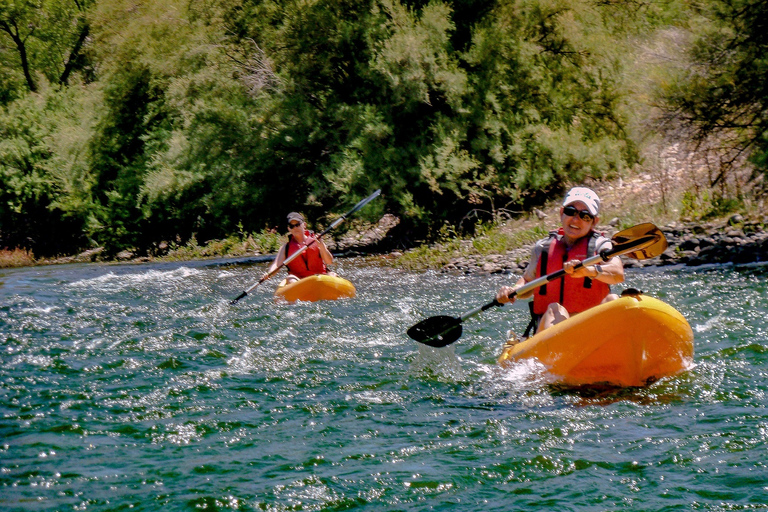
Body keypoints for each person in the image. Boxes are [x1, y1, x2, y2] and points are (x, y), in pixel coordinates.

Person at [496, 186, 624, 337]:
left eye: (585, 216)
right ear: (562, 213)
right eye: (570, 212)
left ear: (594, 221)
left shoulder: (602, 246)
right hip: (552, 331)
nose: (576, 219)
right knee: (555, 309)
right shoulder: (542, 248)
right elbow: (527, 282)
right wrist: (513, 291)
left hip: (591, 331)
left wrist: (588, 271)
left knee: (613, 300)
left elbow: (618, 273)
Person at [266, 212, 335, 283]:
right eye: (292, 226)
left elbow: (329, 261)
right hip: (299, 282)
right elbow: (277, 265)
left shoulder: (317, 241)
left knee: (332, 275)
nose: (295, 228)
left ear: (304, 225)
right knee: (290, 278)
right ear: (289, 229)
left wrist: (322, 246)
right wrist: (269, 274)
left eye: (297, 224)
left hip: (320, 278)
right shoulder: (285, 247)